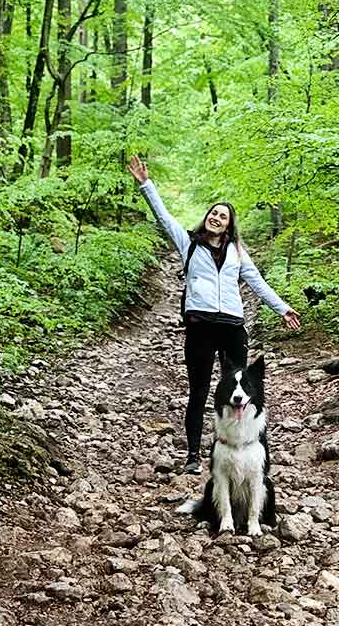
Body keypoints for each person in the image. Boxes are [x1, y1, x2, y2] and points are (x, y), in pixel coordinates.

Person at [128, 154, 301, 474]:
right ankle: (194, 456)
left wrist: (282, 307)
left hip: (233, 327)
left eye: (223, 216)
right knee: (199, 391)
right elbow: (164, 217)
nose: (217, 218)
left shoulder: (237, 252)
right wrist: (146, 185)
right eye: (213, 213)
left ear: (229, 224)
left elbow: (257, 283)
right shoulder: (189, 244)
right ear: (207, 218)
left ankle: (247, 448)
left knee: (238, 390)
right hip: (201, 327)